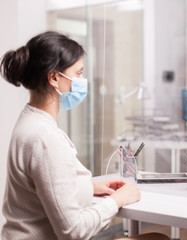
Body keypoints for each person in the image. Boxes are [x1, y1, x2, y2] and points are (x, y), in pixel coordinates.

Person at [1, 31, 169, 240]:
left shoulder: (29, 120)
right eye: (79, 73)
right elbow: (73, 232)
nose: (83, 80)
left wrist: (89, 188)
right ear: (54, 78)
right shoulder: (45, 138)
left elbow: (45, 187)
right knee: (159, 238)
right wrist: (117, 200)